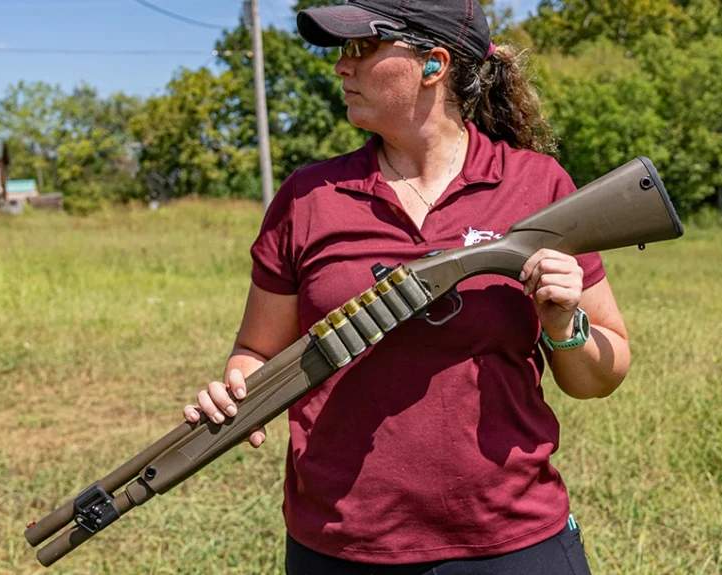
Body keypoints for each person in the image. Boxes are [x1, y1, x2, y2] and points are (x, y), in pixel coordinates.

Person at [184, 1, 631, 573]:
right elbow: (256, 351)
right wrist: (237, 386)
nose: (341, 67)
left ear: (433, 64)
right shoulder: (306, 198)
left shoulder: (538, 185)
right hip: (341, 544)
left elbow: (603, 372)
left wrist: (563, 326)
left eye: (361, 47)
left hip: (511, 540)